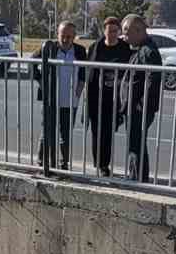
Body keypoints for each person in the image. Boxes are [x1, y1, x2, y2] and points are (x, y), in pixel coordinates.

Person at [36, 21, 87, 171]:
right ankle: (41, 160)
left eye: (69, 37)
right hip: (51, 99)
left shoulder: (80, 51)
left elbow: (84, 72)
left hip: (70, 100)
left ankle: (63, 163)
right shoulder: (49, 47)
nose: (65, 40)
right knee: (47, 131)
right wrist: (42, 82)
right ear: (57, 34)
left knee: (65, 134)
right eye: (63, 36)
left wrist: (78, 91)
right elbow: (31, 63)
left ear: (74, 37)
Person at [121, 15, 164, 182]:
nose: (124, 37)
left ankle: (138, 179)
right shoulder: (142, 49)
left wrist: (141, 106)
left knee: (136, 143)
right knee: (135, 143)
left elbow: (152, 82)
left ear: (139, 31)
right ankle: (136, 176)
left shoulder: (148, 52)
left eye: (127, 32)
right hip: (136, 108)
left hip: (140, 109)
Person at [86, 15, 131, 176]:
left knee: (108, 131)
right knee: (96, 131)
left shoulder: (124, 49)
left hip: (115, 98)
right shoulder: (95, 47)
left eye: (114, 31)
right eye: (109, 31)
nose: (111, 34)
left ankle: (104, 163)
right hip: (96, 96)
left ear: (118, 31)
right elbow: (88, 71)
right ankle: (100, 164)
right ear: (103, 31)